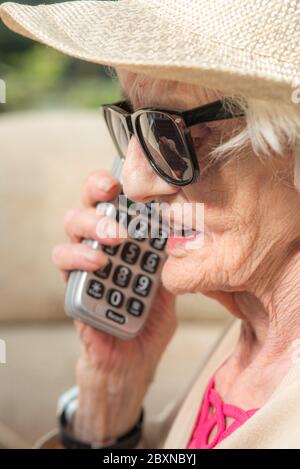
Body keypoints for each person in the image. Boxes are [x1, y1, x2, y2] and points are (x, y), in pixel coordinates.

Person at [1, 0, 300, 449]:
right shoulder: (253, 337)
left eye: (178, 136)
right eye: (136, 125)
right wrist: (111, 395)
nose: (137, 183)